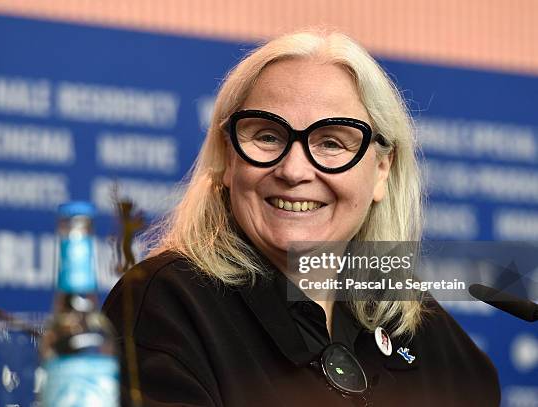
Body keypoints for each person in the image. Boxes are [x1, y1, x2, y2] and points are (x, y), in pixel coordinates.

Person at [103, 30, 500, 406]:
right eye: (268, 136)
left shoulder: (405, 314)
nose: (294, 171)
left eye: (331, 142)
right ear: (227, 157)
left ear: (381, 170)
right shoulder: (165, 302)